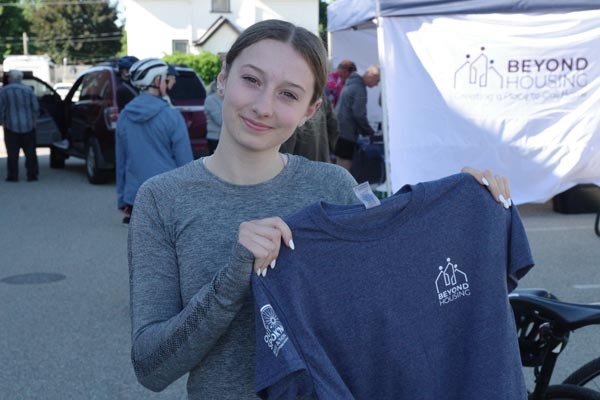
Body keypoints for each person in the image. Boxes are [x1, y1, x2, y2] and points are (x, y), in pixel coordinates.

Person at [127, 19, 512, 399]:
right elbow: (151, 367)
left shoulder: (334, 188)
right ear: (224, 78)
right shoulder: (163, 199)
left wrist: (460, 210)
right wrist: (231, 281)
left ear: (310, 111)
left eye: (288, 94)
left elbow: (399, 294)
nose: (263, 107)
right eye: (252, 80)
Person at [115, 58, 193, 224]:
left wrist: (122, 197)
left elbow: (121, 160)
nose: (167, 82)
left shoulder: (124, 115)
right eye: (165, 78)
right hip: (168, 195)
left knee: (141, 247)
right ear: (156, 81)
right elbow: (185, 162)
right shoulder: (172, 116)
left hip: (136, 196)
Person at [334, 64, 381, 172]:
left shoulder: (351, 83)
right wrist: (368, 130)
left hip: (340, 128)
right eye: (377, 80)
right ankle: (342, 187)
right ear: (372, 75)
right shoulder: (359, 88)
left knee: (340, 160)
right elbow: (359, 114)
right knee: (345, 163)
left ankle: (337, 185)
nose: (377, 84)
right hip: (347, 131)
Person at [0, 69, 40, 182]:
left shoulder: (4, 91)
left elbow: (1, 108)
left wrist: (2, 121)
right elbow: (35, 107)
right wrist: (34, 120)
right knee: (30, 152)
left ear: (10, 78)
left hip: (10, 126)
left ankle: (13, 176)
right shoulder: (28, 90)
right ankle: (32, 175)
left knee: (12, 153)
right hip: (28, 125)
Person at [279, 90, 339, 162]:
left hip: (289, 162)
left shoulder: (319, 94)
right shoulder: (319, 93)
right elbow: (333, 128)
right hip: (317, 159)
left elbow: (333, 127)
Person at [204, 81, 223, 154]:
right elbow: (220, 120)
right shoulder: (210, 100)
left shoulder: (225, 99)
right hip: (215, 138)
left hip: (225, 138)